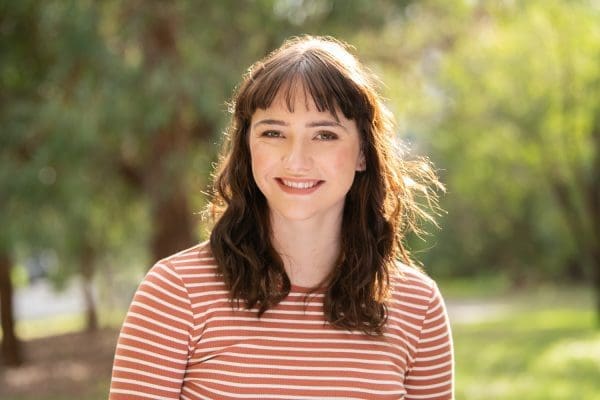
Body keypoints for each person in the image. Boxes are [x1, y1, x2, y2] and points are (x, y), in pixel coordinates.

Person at [109, 35, 453, 399]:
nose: (296, 159)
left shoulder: (418, 306)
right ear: (247, 147)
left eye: (324, 134)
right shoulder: (175, 294)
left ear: (363, 153)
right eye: (274, 132)